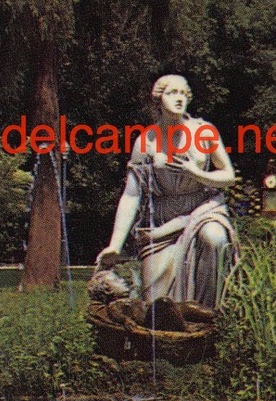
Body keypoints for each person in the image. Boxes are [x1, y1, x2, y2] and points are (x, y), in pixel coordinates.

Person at [97, 75, 238, 312]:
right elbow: (131, 195)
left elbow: (228, 176)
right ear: (158, 99)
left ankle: (207, 315)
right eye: (173, 93)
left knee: (214, 238)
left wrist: (198, 174)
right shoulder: (146, 141)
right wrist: (115, 244)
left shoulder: (204, 132)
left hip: (201, 209)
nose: (180, 98)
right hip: (162, 221)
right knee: (155, 307)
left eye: (184, 93)